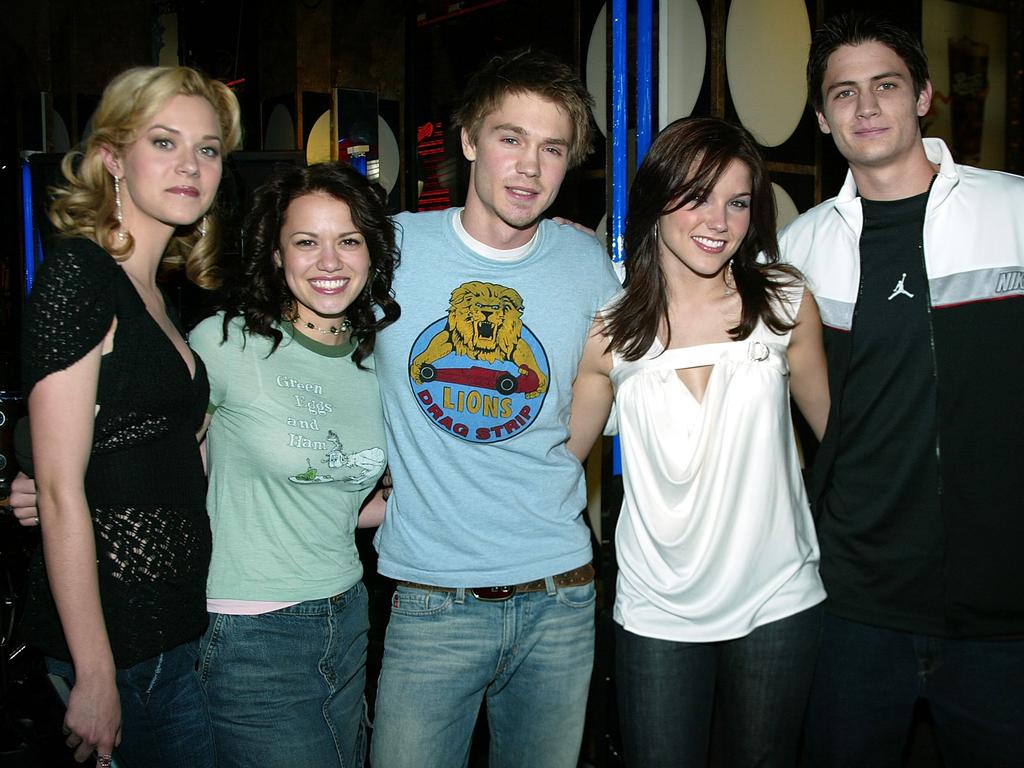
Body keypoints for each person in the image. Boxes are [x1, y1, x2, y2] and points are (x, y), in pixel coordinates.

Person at [780, 12, 1024, 766]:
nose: (866, 108)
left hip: (1004, 601)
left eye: (885, 86)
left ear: (923, 95)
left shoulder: (1012, 210)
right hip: (857, 601)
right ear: (822, 118)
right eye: (843, 94)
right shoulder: (802, 247)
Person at [368, 49, 621, 768]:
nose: (530, 168)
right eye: (510, 138)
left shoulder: (585, 266)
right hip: (430, 600)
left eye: (552, 148)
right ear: (471, 140)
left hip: (560, 596)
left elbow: (590, 401)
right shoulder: (390, 249)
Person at [567, 117, 829, 767]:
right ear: (656, 200)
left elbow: (842, 445)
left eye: (737, 202)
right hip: (657, 608)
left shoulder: (785, 305)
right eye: (696, 195)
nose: (719, 219)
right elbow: (557, 466)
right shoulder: (611, 333)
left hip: (779, 597)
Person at [18, 66, 240, 767]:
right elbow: (59, 489)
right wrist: (93, 673)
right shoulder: (81, 275)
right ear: (112, 157)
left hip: (174, 630)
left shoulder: (157, 296)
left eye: (207, 149)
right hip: (117, 641)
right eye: (165, 141)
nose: (190, 165)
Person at [188, 162, 399, 767]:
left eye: (349, 240)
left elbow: (336, 499)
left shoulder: (374, 361)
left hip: (348, 615)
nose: (329, 261)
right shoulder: (226, 343)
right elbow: (151, 455)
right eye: (306, 242)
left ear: (371, 254)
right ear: (276, 256)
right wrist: (50, 480)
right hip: (251, 632)